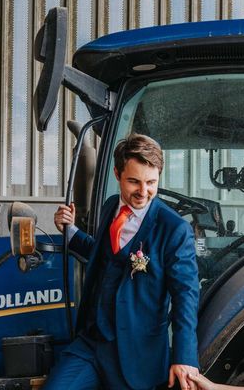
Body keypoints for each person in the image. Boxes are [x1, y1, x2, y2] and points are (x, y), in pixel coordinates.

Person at [44, 134, 200, 390]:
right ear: (117, 174)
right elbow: (105, 255)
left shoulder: (174, 229)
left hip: (136, 352)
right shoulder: (109, 207)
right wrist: (70, 231)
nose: (143, 191)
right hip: (91, 343)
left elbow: (186, 294)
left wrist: (184, 357)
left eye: (151, 182)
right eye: (134, 182)